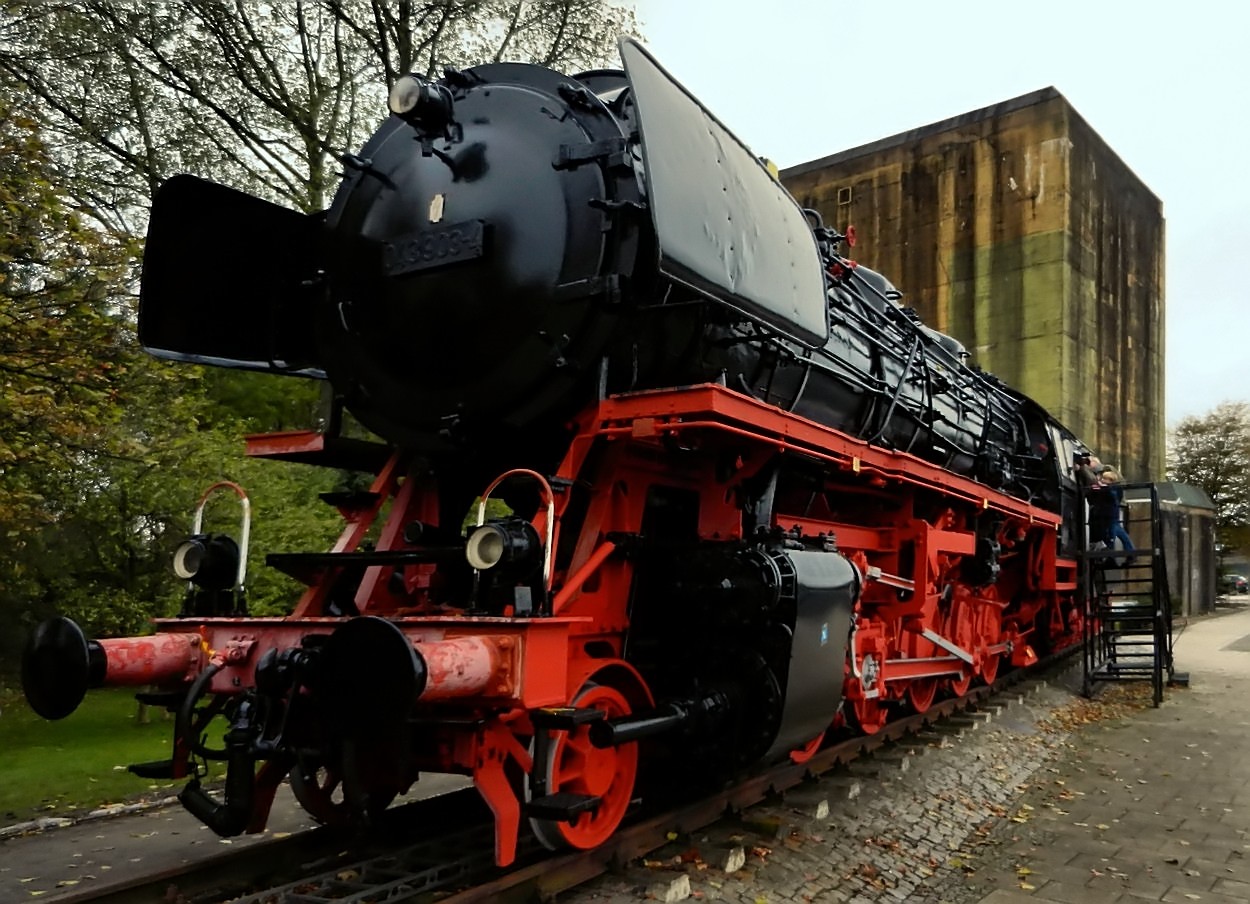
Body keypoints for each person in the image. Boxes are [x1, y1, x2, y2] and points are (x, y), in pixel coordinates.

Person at [1089, 468, 1135, 566]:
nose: (1102, 480)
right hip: (1109, 515)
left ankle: (1112, 557)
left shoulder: (1115, 488)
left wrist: (1104, 488)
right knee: (1119, 534)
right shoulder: (1109, 489)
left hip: (1109, 515)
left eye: (1105, 479)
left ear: (1111, 480)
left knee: (1111, 535)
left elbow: (1113, 497)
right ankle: (1129, 553)